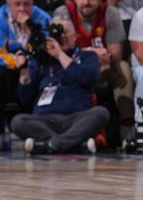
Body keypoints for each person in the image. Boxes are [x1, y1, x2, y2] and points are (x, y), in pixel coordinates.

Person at [11, 17, 109, 154]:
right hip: (44, 121)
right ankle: (72, 145)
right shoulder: (41, 61)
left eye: (66, 32)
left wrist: (60, 55)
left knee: (101, 113)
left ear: (75, 37)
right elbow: (25, 98)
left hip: (76, 118)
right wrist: (24, 71)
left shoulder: (87, 56)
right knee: (18, 121)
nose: (62, 36)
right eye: (58, 33)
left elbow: (88, 78)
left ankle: (49, 145)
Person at [54, 0, 135, 142]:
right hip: (72, 69)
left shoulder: (110, 13)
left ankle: (127, 125)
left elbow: (116, 53)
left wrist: (104, 56)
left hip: (101, 68)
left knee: (123, 67)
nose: (86, 2)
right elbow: (60, 49)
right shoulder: (63, 13)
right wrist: (92, 53)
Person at [0, 0, 52, 150]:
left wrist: (29, 29)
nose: (22, 9)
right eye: (17, 4)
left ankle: (37, 131)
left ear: (33, 3)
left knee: (41, 70)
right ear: (8, 3)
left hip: (34, 64)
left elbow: (47, 49)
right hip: (9, 67)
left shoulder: (42, 18)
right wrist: (17, 61)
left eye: (27, 4)